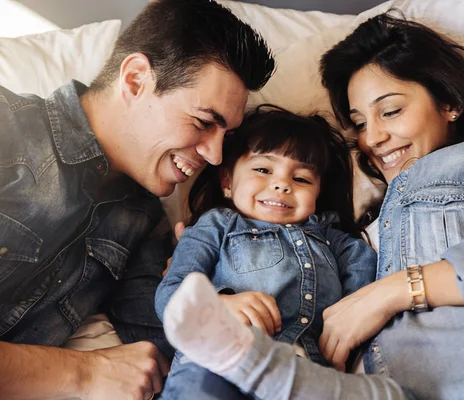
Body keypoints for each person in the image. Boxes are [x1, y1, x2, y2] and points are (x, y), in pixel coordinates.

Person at [159, 12, 464, 400]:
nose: (372, 138)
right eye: (358, 124)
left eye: (389, 111)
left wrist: (395, 291)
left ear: (448, 102)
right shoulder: (361, 222)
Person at [0, 0, 274, 398]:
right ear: (134, 79)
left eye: (225, 137)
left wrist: (209, 283)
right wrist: (83, 374)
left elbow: (170, 356)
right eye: (202, 122)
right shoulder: (7, 125)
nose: (215, 156)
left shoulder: (143, 219)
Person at [155, 106, 377, 399]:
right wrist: (219, 305)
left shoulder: (336, 241)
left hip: (300, 373)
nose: (281, 184)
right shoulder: (217, 226)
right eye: (263, 169)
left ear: (318, 193)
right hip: (219, 359)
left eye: (302, 179)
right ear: (227, 182)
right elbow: (171, 293)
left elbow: (364, 290)